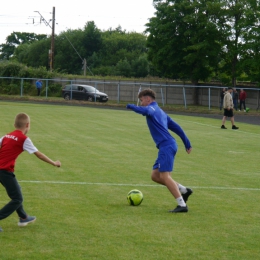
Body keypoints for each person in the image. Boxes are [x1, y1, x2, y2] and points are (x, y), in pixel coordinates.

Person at [126, 89, 193, 213]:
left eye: (141, 101)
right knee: (155, 176)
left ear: (148, 99)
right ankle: (184, 190)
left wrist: (131, 106)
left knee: (165, 176)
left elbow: (145, 111)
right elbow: (177, 128)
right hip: (166, 146)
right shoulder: (160, 112)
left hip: (167, 146)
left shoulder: (152, 109)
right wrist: (187, 143)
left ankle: (182, 205)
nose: (141, 103)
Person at [0, 113, 61, 232]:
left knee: (17, 190)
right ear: (27, 125)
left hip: (2, 170)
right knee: (17, 199)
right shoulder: (24, 139)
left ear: (14, 124)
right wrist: (54, 163)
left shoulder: (7, 136)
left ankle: (23, 217)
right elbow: (39, 155)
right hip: (4, 171)